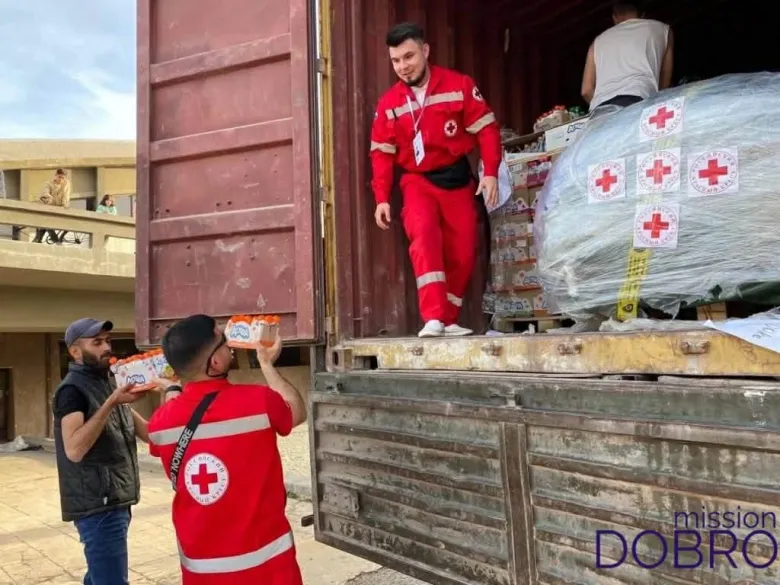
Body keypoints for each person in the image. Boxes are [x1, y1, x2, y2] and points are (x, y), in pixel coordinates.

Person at [146, 314, 307, 585]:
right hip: (268, 569)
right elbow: (296, 412)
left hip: (202, 572)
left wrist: (171, 390)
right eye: (224, 341)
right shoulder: (259, 401)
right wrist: (266, 364)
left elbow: (172, 423)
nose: (229, 345)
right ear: (215, 362)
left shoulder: (160, 423)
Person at [370, 22, 502, 338]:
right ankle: (432, 318)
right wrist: (381, 198)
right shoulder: (389, 104)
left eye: (409, 57)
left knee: (464, 251)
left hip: (457, 178)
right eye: (396, 60)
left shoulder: (459, 85)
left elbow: (486, 129)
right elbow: (381, 154)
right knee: (424, 237)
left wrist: (491, 172)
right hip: (417, 182)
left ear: (426, 51)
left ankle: (448, 318)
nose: (403, 66)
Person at [52, 318, 152, 585]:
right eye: (97, 342)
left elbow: (150, 434)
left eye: (108, 341)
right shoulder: (71, 391)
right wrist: (110, 403)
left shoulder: (108, 384)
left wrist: (169, 388)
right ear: (75, 351)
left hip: (117, 501)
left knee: (100, 577)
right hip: (99, 506)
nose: (107, 347)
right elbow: (74, 449)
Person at [581, 1, 674, 113]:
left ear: (614, 18)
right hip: (639, 98)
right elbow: (664, 81)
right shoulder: (663, 30)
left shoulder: (597, 42)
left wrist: (603, 107)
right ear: (642, 16)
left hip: (600, 109)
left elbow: (586, 91)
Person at [34, 168, 71, 243]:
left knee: (46, 224)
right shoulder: (49, 184)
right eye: (59, 177)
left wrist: (64, 206)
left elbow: (66, 196)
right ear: (55, 175)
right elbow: (45, 193)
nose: (61, 179)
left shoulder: (66, 183)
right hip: (50, 208)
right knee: (46, 223)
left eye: (63, 178)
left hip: (61, 208)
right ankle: (52, 240)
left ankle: (53, 240)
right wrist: (48, 198)